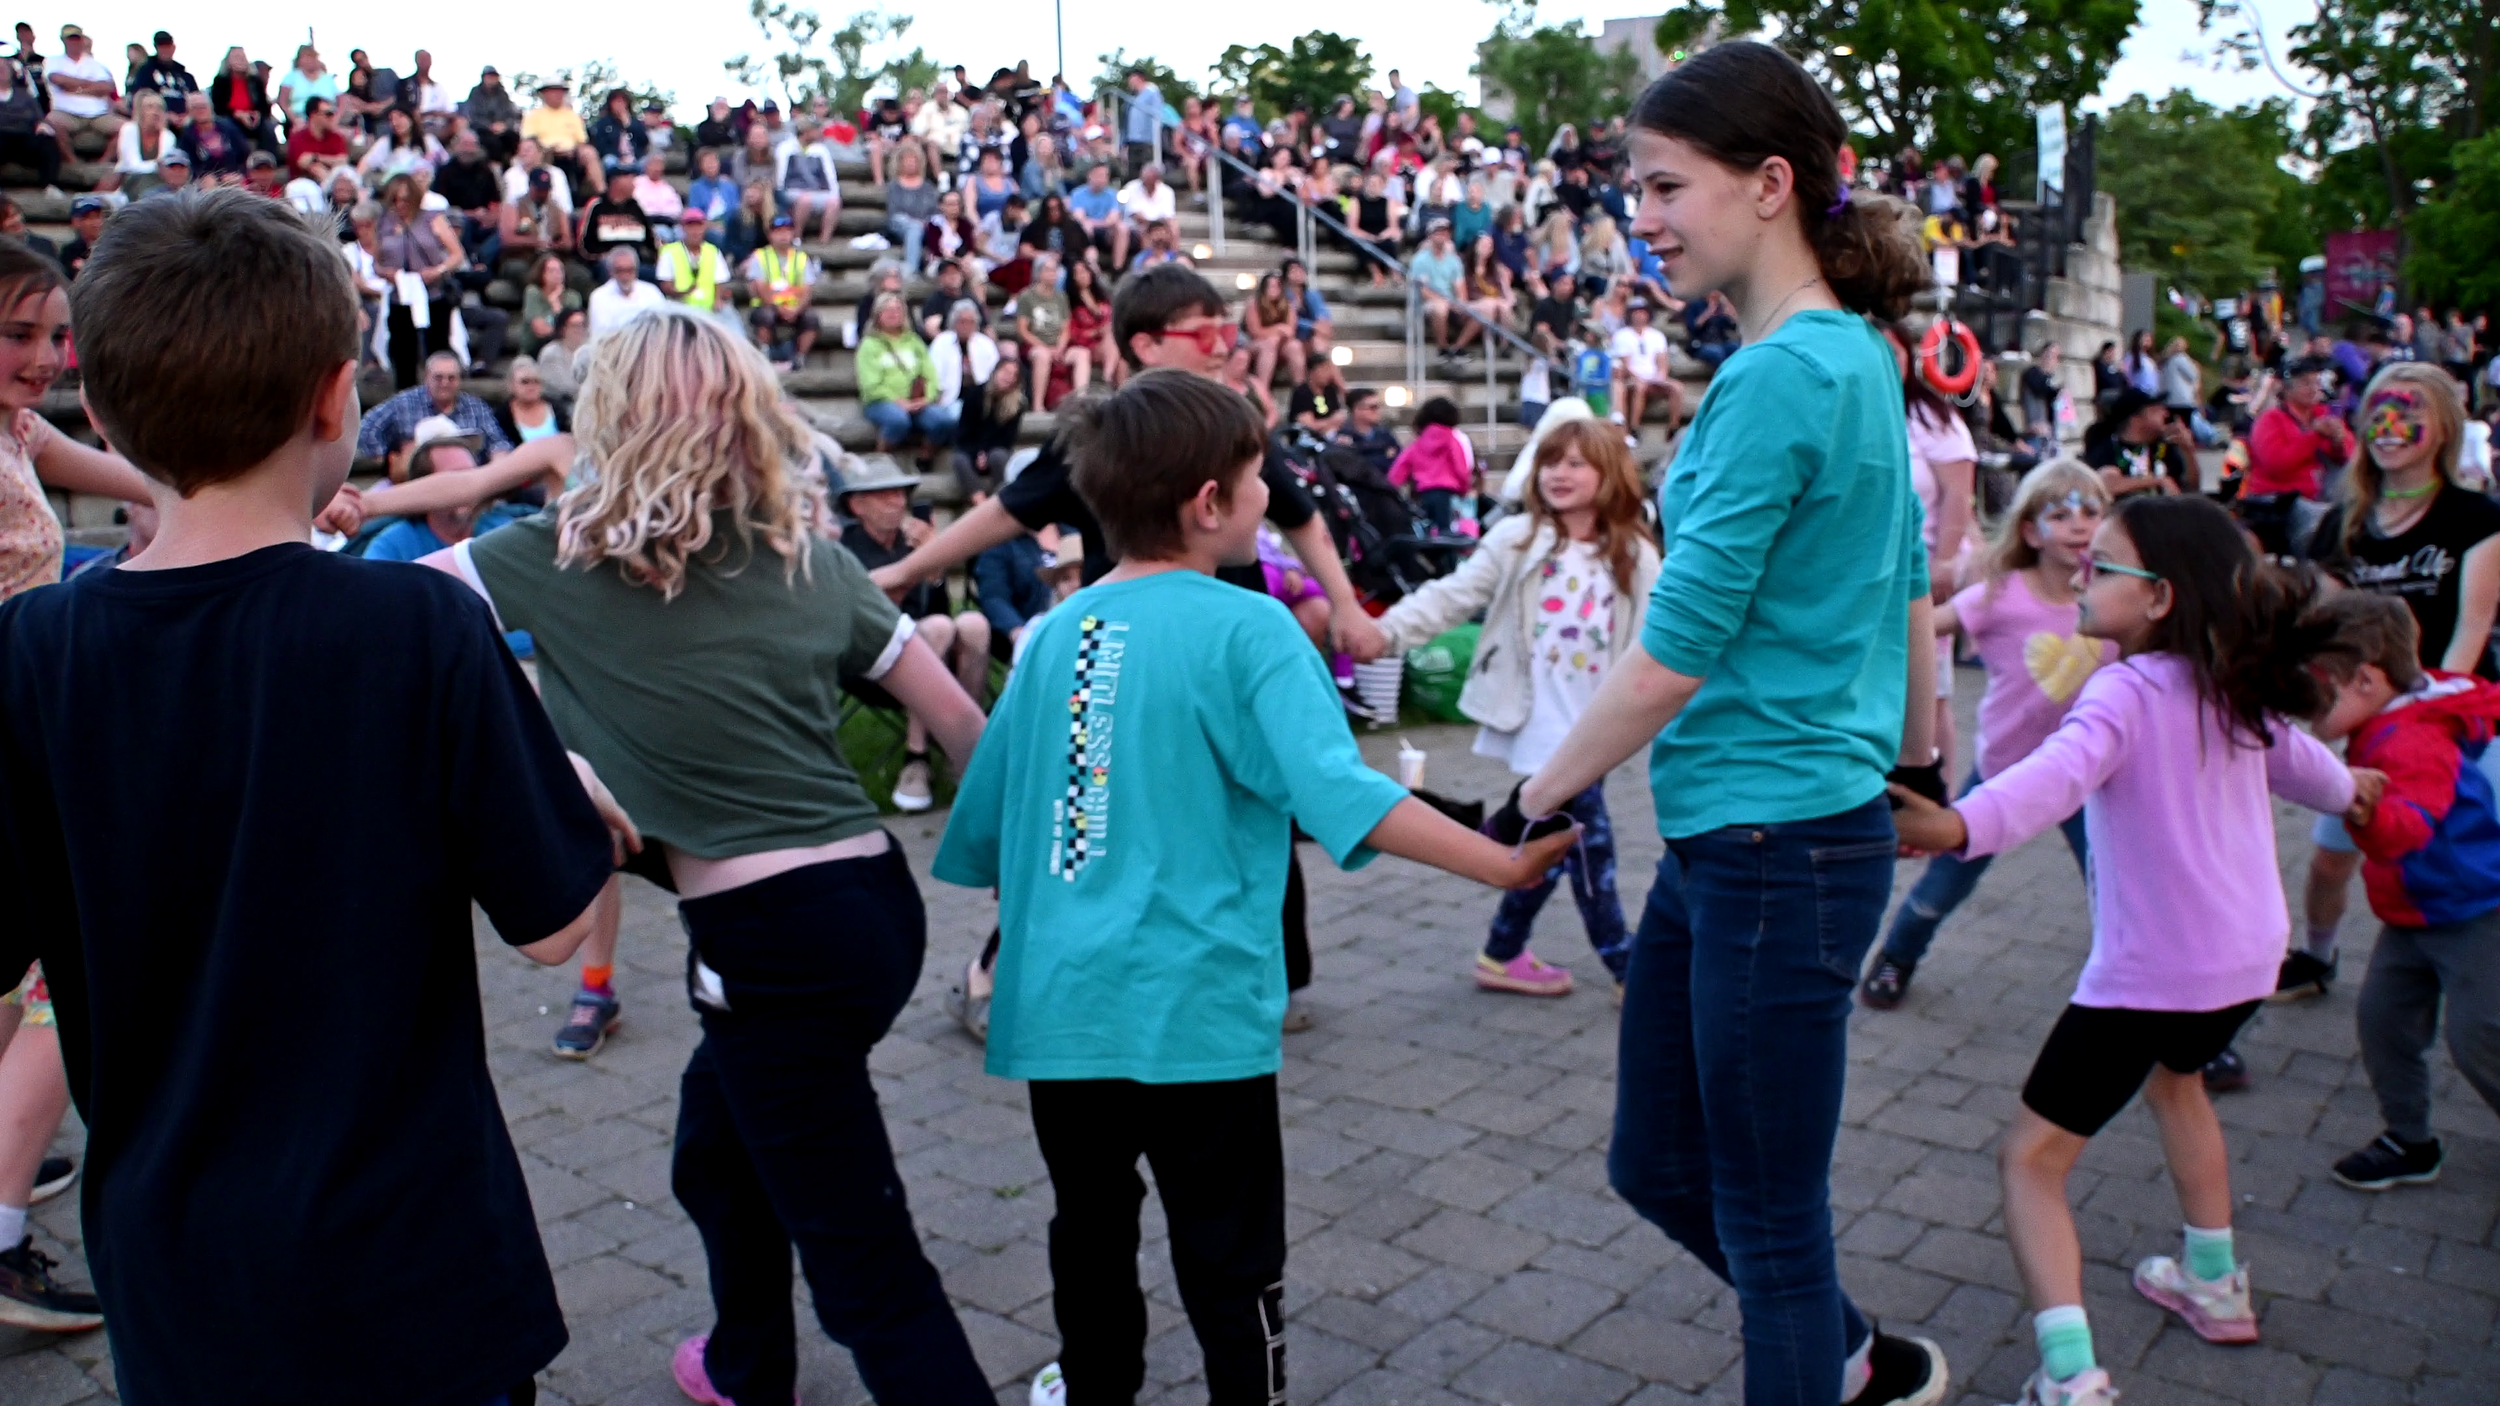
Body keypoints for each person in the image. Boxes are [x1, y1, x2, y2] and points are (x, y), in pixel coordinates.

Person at [0, 185, 626, 1405]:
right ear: (337, 395)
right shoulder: (418, 625)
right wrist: (566, 776)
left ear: (108, 411)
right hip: (413, 1263)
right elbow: (553, 926)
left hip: (180, 1276)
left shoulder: (31, 653)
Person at [932, 369, 1576, 1406]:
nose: (1269, 493)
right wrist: (1498, 860)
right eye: (1256, 476)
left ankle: (1099, 1390)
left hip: (1061, 1008)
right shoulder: (1252, 627)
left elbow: (989, 827)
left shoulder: (1050, 634)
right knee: (1229, 1253)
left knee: (1088, 1234)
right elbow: (1340, 792)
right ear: (1208, 502)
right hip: (1197, 1007)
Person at [421, 307, 996, 1406]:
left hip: (770, 950)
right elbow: (966, 728)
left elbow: (383, 617)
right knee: (714, 1155)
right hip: (875, 909)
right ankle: (746, 1364)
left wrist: (546, 764)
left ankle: (795, 1367)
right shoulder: (806, 558)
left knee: (867, 1271)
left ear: (606, 419)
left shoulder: (546, 553)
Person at [1506, 43, 1951, 1406]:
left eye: (1662, 185)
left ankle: (1826, 1357)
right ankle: (1857, 1357)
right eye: (1634, 188)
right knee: (1659, 1165)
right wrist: (1921, 761)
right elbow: (1906, 589)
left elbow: (1675, 653)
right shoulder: (1851, 357)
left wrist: (1537, 794)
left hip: (1775, 845)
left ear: (1769, 184)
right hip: (1742, 839)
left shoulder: (1784, 374)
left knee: (1769, 1224)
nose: (1639, 216)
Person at [1891, 497, 2377, 1406]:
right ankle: (2214, 1279)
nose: (2082, 572)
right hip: (2246, 968)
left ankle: (2070, 1376)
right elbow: (2314, 769)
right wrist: (2356, 789)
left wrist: (1957, 822)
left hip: (2149, 977)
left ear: (2159, 599)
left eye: (2103, 565)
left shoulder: (2121, 688)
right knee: (2177, 1083)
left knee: (2031, 1161)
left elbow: (2048, 780)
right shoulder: (2231, 688)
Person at [871, 264, 1390, 1037]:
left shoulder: (1226, 423)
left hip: (1229, 655)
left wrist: (1344, 603)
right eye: (1203, 331)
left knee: (1257, 804)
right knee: (1103, 821)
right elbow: (1008, 514)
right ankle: (994, 968)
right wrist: (911, 569)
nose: (1223, 344)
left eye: (1227, 328)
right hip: (1130, 666)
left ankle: (1265, 974)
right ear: (1146, 343)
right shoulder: (1102, 431)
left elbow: (1302, 513)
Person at [1367, 417, 1660, 995]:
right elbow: (1454, 596)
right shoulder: (1518, 538)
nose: (1558, 473)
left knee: (1546, 841)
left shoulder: (1635, 551)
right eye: (1551, 461)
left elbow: (1657, 641)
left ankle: (1502, 951)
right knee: (1587, 839)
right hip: (1539, 724)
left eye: (1576, 463)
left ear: (1609, 474)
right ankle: (1630, 970)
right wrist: (1386, 633)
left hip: (1596, 725)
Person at [1860, 462, 2116, 1009]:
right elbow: (1925, 626)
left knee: (2116, 885)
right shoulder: (2003, 595)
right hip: (2007, 772)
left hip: (2087, 777)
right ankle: (1897, 956)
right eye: (2061, 513)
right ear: (2029, 531)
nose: (2080, 525)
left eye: (2092, 512)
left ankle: (2149, 987)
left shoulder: (2114, 599)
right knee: (1948, 876)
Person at [835, 465, 993, 809]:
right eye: (884, 494)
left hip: (932, 659)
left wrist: (931, 566)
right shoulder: (842, 549)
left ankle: (968, 754)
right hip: (869, 665)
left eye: (901, 493)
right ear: (856, 506)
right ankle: (916, 758)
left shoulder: (913, 542)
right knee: (936, 629)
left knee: (973, 624)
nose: (897, 502)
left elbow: (936, 609)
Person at [374, 174, 463, 390]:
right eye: (395, 199)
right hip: (401, 295)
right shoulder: (384, 223)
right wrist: (387, 273)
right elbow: (376, 262)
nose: (400, 204)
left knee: (436, 348)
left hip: (432, 293)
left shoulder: (432, 219)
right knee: (403, 353)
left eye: (404, 199)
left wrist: (438, 270)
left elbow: (456, 255)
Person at [858, 291, 955, 452]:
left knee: (945, 420)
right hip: (881, 401)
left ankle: (926, 455)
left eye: (897, 310)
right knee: (898, 420)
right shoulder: (869, 345)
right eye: (887, 310)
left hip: (916, 399)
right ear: (877, 315)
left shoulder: (914, 340)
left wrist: (926, 398)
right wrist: (898, 401)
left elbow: (930, 374)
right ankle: (881, 455)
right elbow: (870, 385)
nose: (893, 314)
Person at [2081, 388, 2194, 496]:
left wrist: (2188, 451)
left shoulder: (2164, 448)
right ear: (2136, 418)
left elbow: (2190, 487)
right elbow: (2108, 484)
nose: (2166, 414)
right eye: (2157, 410)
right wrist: (2158, 481)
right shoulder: (2107, 448)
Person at [743, 214, 820, 366]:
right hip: (768, 305)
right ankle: (764, 354)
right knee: (765, 316)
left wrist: (796, 309)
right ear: (770, 235)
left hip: (794, 306)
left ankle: (799, 357)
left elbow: (807, 289)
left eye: (787, 231)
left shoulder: (801, 258)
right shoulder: (760, 256)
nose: (783, 236)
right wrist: (779, 308)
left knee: (812, 319)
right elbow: (760, 288)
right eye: (778, 232)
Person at [41, 25, 119, 156]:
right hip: (66, 113)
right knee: (51, 122)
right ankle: (73, 164)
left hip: (98, 115)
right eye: (70, 38)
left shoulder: (95, 64)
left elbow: (107, 87)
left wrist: (74, 88)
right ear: (63, 40)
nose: (74, 42)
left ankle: (103, 163)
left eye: (77, 38)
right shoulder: (53, 61)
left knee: (127, 128)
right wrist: (91, 85)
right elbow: (57, 79)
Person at [1610, 299, 1680, 431]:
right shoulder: (1622, 335)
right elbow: (1625, 365)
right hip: (1632, 378)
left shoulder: (1657, 336)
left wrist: (1660, 377)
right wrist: (1639, 378)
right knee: (1640, 386)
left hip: (1653, 377)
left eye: (1642, 312)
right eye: (1636, 312)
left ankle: (1673, 427)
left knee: (1677, 387)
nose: (1639, 315)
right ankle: (1634, 427)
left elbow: (1662, 362)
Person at [657, 207, 734, 322]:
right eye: (690, 226)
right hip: (680, 307)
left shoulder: (713, 251)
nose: (695, 231)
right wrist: (683, 292)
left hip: (709, 309)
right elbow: (666, 286)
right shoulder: (669, 252)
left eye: (698, 226)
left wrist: (717, 301)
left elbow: (720, 281)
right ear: (683, 228)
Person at [578, 165, 656, 274]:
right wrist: (600, 256)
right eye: (630, 178)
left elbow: (652, 240)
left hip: (636, 263)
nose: (634, 183)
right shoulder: (597, 206)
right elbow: (583, 245)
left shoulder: (636, 207)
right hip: (606, 263)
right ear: (616, 182)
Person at [777, 115, 842, 245]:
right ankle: (796, 237)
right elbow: (781, 174)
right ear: (806, 132)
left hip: (817, 191)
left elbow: (830, 176)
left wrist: (834, 193)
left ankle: (824, 240)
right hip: (792, 190)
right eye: (815, 130)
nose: (819, 133)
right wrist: (781, 194)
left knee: (834, 202)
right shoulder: (785, 148)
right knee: (805, 200)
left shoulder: (821, 150)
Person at [588, 247, 664, 341]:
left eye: (629, 270)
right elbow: (600, 334)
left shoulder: (651, 292)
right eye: (620, 271)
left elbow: (661, 327)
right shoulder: (599, 297)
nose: (625, 276)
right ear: (610, 272)